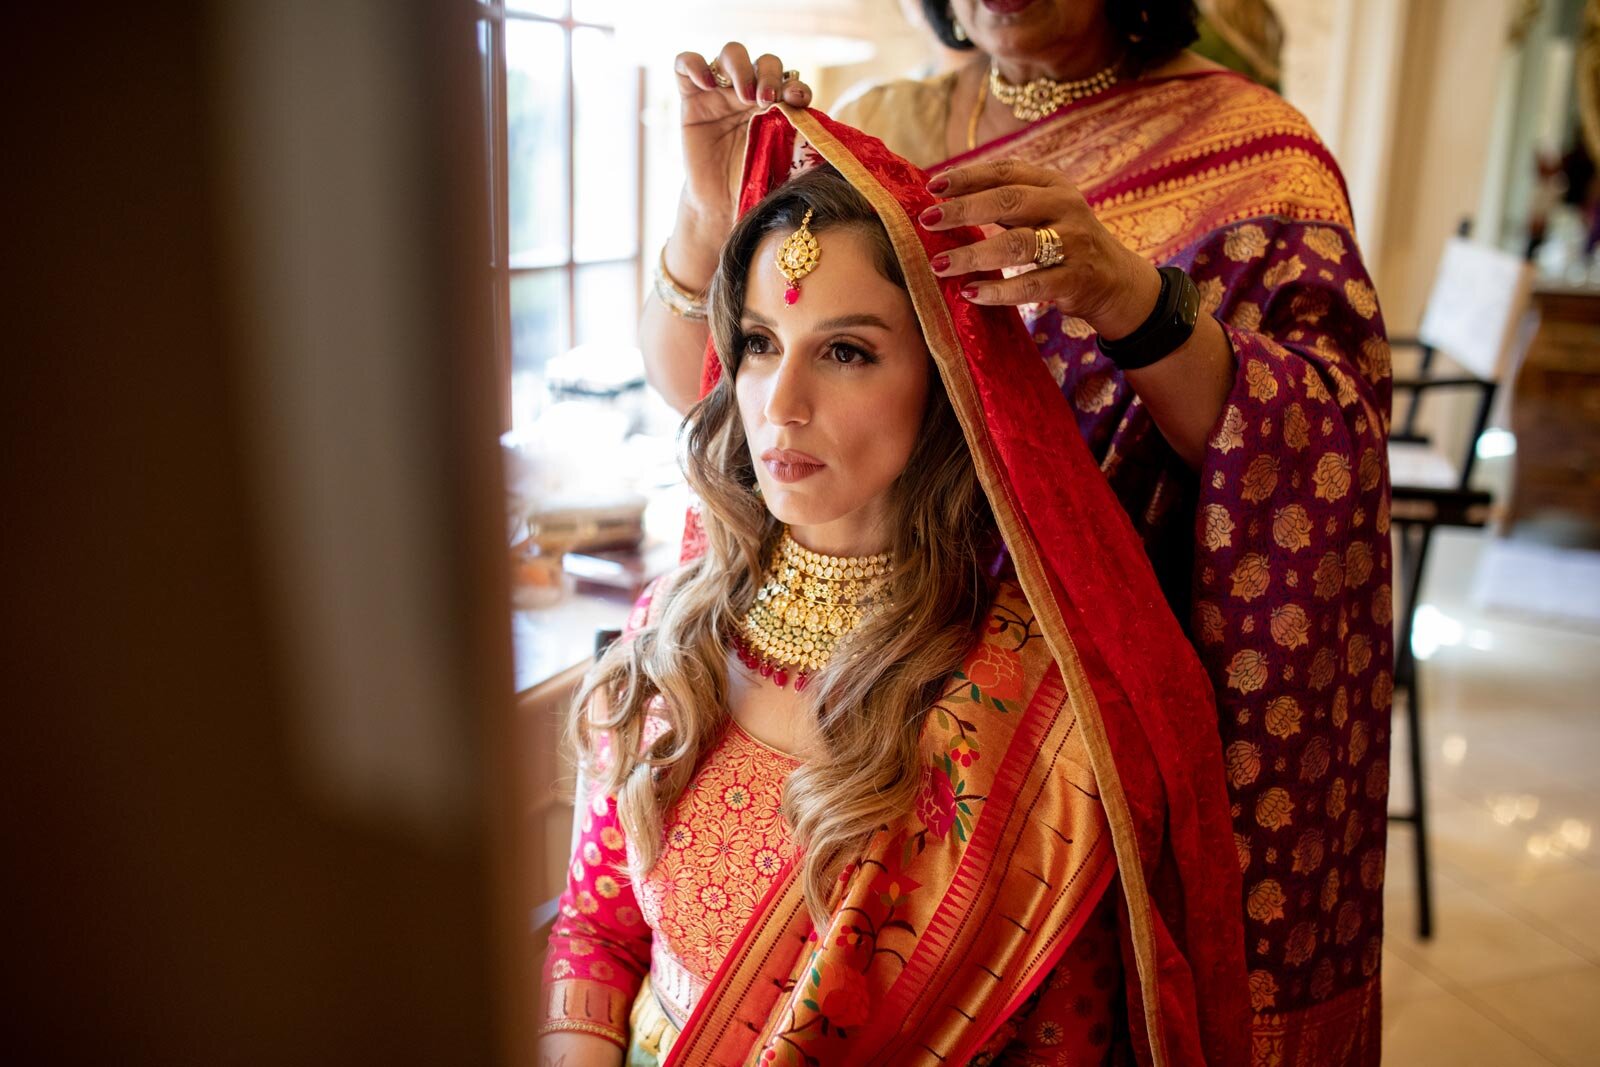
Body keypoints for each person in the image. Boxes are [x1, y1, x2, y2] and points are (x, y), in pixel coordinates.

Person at [645, 3, 1392, 1064]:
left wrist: (1129, 297)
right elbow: (724, 398)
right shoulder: (885, 118)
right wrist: (700, 210)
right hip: (857, 654)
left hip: (1067, 698)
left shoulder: (1251, 153)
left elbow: (1327, 445)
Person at [541, 109, 1252, 1066]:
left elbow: (1057, 1046)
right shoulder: (674, 631)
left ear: (948, 379)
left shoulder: (1027, 713)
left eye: (845, 351)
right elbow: (598, 932)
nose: (780, 402)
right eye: (758, 341)